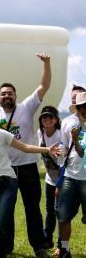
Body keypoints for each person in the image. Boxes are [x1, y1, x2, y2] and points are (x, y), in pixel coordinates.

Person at [0, 53, 51, 257]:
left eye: (10, 94)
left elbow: (43, 86)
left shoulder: (27, 107)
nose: (7, 96)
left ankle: (38, 246)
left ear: (16, 96)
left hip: (27, 166)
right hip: (4, 170)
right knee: (5, 214)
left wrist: (47, 64)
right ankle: (5, 249)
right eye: (4, 94)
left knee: (32, 208)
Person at [0, 109, 59, 258]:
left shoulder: (2, 135)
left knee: (0, 223)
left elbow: (25, 147)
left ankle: (1, 252)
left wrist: (47, 149)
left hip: (7, 183)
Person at [56, 91, 86, 258]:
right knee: (63, 214)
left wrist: (76, 140)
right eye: (81, 106)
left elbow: (82, 152)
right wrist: (60, 180)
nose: (84, 109)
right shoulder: (67, 122)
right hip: (70, 176)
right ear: (77, 107)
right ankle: (64, 250)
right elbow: (64, 150)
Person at [37, 106, 63, 251]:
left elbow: (65, 162)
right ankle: (47, 239)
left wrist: (59, 184)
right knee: (49, 210)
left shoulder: (60, 136)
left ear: (56, 120)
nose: (47, 119)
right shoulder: (40, 133)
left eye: (50, 117)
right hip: (49, 179)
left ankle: (61, 244)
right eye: (44, 117)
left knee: (59, 210)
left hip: (62, 179)